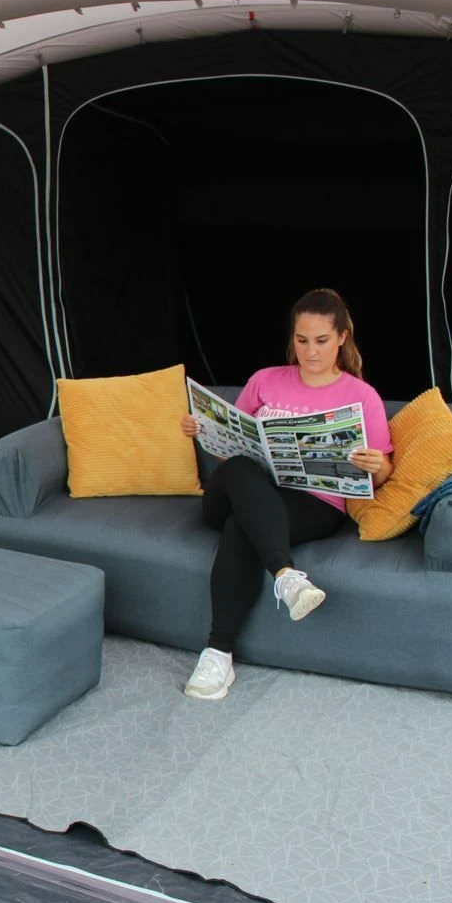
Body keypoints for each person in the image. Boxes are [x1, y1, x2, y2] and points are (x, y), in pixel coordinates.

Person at [178, 288, 394, 701]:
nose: (310, 352)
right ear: (292, 337)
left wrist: (376, 466)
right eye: (302, 340)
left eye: (321, 341)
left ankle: (218, 654)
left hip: (313, 504)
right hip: (241, 488)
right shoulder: (265, 379)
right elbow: (229, 455)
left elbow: (382, 476)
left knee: (243, 526)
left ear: (342, 338)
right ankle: (286, 575)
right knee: (241, 469)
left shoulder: (361, 396)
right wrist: (204, 432)